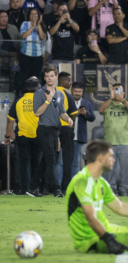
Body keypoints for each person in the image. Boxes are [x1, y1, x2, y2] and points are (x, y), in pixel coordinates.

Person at [33, 66, 74, 197]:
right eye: (47, 76)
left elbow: (61, 112)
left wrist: (68, 119)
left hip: (55, 130)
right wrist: (47, 101)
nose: (49, 78)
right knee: (51, 160)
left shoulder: (60, 94)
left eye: (52, 76)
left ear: (56, 77)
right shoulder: (39, 93)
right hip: (44, 129)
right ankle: (57, 189)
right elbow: (37, 112)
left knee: (46, 160)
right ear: (44, 78)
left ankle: (32, 186)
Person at [4, 77, 41, 196]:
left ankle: (26, 189)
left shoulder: (19, 101)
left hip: (22, 136)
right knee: (37, 163)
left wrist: (7, 135)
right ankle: (35, 189)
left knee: (25, 163)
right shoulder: (42, 100)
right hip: (38, 135)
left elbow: (10, 120)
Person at [99, 83, 128, 196]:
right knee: (109, 168)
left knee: (125, 169)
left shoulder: (127, 104)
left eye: (119, 91)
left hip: (125, 141)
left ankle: (124, 189)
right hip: (110, 142)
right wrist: (111, 98)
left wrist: (122, 100)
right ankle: (110, 190)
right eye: (115, 90)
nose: (117, 93)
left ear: (124, 93)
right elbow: (101, 110)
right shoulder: (108, 104)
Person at [55, 72, 78, 193]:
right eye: (68, 81)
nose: (69, 83)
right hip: (65, 129)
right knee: (67, 160)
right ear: (62, 81)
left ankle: (48, 187)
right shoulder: (68, 96)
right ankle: (65, 188)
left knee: (49, 159)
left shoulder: (50, 93)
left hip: (51, 129)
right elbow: (73, 115)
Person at [71, 82, 96, 176]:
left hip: (79, 137)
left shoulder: (86, 103)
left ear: (82, 92)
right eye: (75, 91)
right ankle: (62, 186)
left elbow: (92, 118)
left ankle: (74, 186)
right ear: (72, 91)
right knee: (62, 162)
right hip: (66, 136)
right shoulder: (68, 101)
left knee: (76, 163)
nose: (77, 93)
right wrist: (75, 113)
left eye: (79, 91)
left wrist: (86, 113)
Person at [19, 8, 44, 82]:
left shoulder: (41, 25)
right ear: (29, 16)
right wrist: (33, 26)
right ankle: (26, 93)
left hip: (38, 55)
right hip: (25, 55)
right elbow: (23, 36)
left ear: (38, 16)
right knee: (26, 78)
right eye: (32, 14)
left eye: (35, 14)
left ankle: (35, 93)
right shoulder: (25, 23)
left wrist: (38, 24)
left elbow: (42, 37)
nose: (34, 15)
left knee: (35, 78)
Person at [0, 10, 21, 77]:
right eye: (1, 17)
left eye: (6, 17)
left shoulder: (13, 28)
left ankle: (13, 87)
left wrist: (19, 55)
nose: (4, 19)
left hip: (13, 57)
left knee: (16, 70)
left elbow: (20, 43)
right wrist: (8, 53)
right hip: (1, 56)